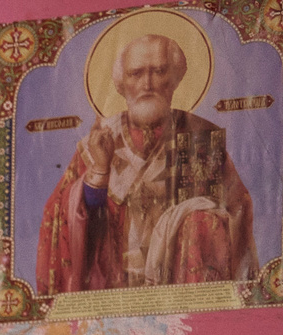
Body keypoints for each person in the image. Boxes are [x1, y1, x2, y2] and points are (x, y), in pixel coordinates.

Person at [34, 32, 258, 295]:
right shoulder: (96, 144)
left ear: (174, 79)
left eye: (159, 71)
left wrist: (196, 220)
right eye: (136, 74)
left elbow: (238, 212)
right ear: (121, 84)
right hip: (114, 293)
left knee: (203, 219)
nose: (147, 84)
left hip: (183, 293)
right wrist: (99, 173)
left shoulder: (203, 138)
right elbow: (61, 218)